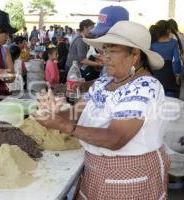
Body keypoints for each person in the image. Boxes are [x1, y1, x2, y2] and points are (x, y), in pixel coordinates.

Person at [34, 21, 169, 200]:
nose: (105, 57)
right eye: (104, 50)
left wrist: (62, 125)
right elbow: (75, 114)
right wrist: (54, 113)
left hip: (131, 175)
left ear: (135, 55)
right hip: (95, 169)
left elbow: (115, 139)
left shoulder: (145, 87)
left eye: (112, 51)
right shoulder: (103, 82)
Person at [151, 20, 182, 98]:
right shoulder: (173, 42)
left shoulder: (152, 43)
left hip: (155, 73)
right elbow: (177, 60)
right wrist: (177, 75)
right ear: (168, 30)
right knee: (170, 99)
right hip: (169, 73)